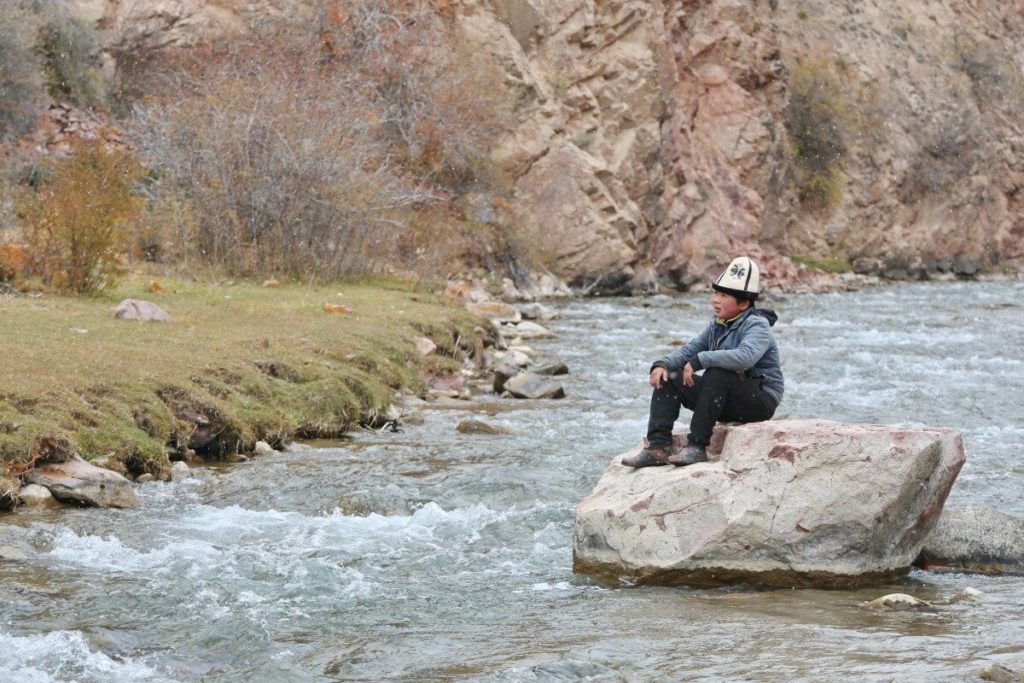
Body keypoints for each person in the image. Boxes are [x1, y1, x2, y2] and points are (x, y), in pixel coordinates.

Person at [622, 256, 784, 468]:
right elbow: (691, 349)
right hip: (724, 398)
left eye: (724, 295)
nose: (716, 299)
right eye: (716, 293)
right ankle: (657, 447)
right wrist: (662, 364)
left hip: (759, 401)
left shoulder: (758, 326)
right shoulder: (718, 324)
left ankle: (697, 447)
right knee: (671, 376)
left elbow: (745, 357)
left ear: (744, 303)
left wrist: (701, 361)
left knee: (718, 372)